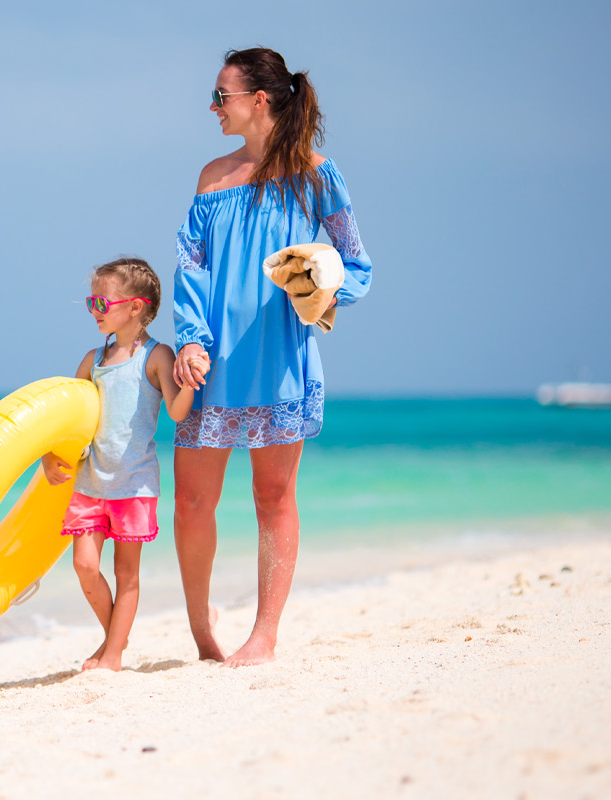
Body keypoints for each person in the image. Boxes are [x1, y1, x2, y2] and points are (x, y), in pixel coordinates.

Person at [171, 48, 373, 667]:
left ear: (260, 100)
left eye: (221, 96)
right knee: (190, 502)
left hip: (279, 357)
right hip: (209, 364)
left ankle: (264, 635)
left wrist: (326, 285)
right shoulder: (212, 178)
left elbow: (356, 263)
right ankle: (203, 634)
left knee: (273, 498)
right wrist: (189, 339)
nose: (212, 107)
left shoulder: (317, 175)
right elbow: (191, 269)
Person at [41, 258, 198, 672]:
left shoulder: (157, 355)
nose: (93, 310)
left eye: (100, 302)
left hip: (134, 484)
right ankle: (115, 643)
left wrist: (194, 382)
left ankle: (111, 654)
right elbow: (65, 418)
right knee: (85, 566)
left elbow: (177, 411)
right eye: (90, 302)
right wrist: (48, 456)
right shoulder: (93, 359)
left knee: (126, 575)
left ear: (134, 307)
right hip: (91, 481)